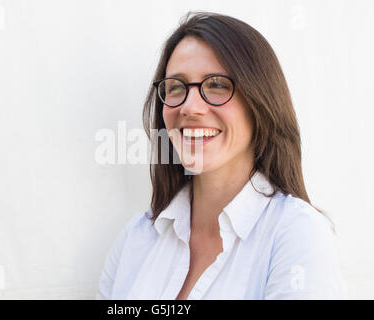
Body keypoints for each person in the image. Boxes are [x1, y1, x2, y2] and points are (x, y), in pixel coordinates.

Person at [96, 11, 348, 299]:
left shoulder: (298, 235)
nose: (190, 108)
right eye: (176, 86)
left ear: (260, 102)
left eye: (216, 84)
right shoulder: (137, 238)